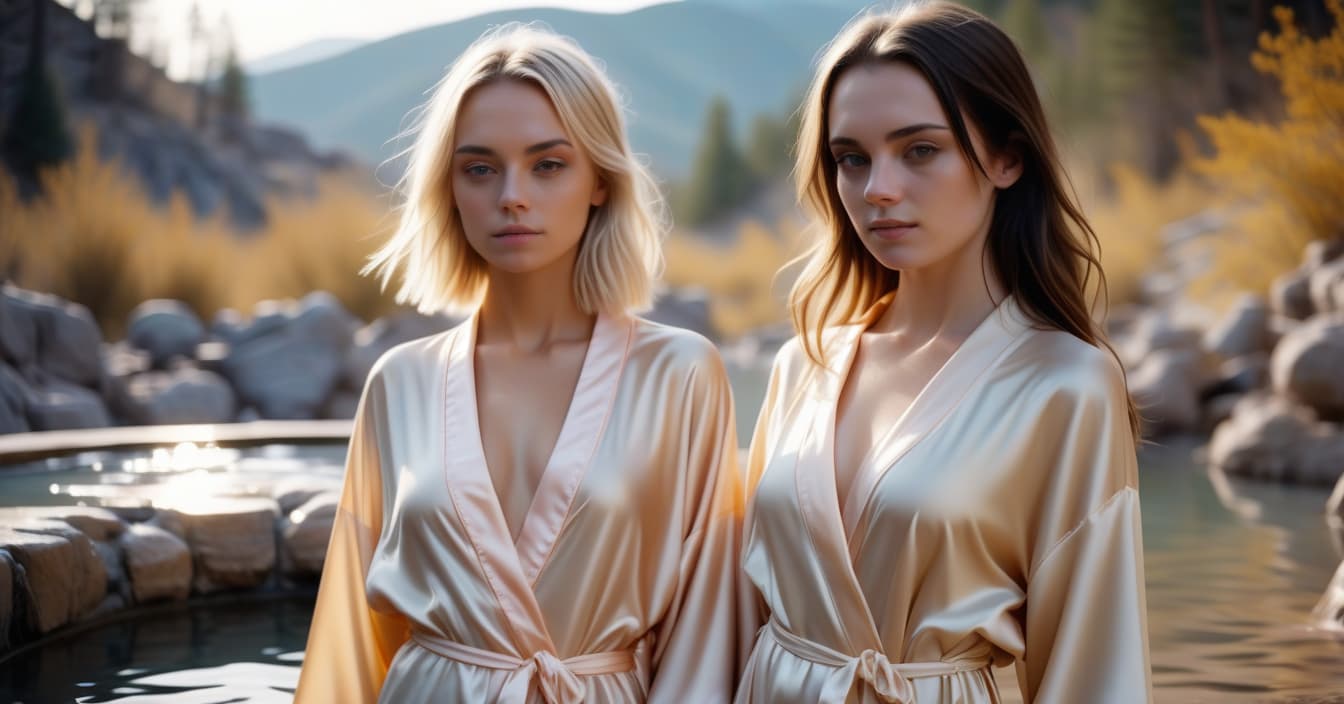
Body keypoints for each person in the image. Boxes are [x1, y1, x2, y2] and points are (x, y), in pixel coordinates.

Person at [294, 24, 740, 704]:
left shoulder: (678, 375)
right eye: (480, 168)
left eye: (548, 165)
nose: (512, 196)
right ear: (449, 188)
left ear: (600, 180)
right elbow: (356, 638)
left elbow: (706, 624)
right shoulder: (399, 383)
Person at [736, 3, 1152, 702]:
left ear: (1007, 157)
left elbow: (1093, 663)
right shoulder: (802, 364)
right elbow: (746, 609)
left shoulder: (1065, 384)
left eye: (920, 150)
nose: (878, 190)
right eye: (851, 159)